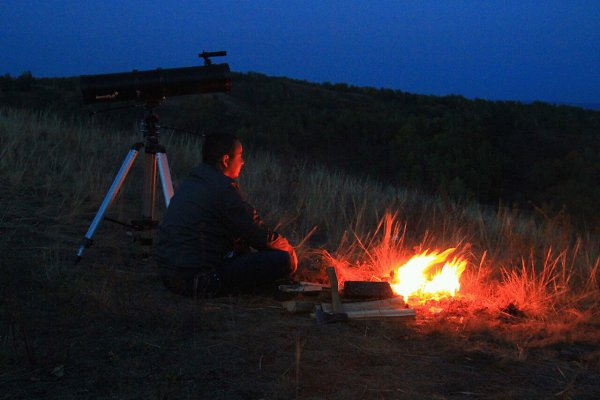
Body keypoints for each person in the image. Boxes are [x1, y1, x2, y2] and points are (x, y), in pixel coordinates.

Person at [157, 132, 298, 298]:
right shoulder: (223, 189)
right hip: (200, 280)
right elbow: (257, 234)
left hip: (170, 275)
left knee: (243, 249)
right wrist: (289, 251)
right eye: (240, 156)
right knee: (282, 260)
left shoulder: (193, 180)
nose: (243, 162)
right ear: (225, 160)